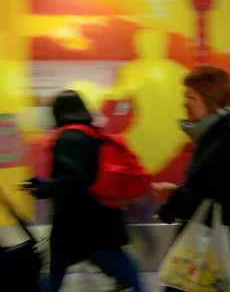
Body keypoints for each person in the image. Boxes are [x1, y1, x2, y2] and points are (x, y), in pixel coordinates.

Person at [153, 66, 230, 292]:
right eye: (185, 96)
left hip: (223, 246)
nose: (185, 103)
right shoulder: (212, 135)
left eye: (191, 97)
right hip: (207, 240)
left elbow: (229, 196)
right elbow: (209, 187)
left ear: (211, 99)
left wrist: (175, 196)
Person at [24, 90, 143, 292]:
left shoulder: (68, 137)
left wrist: (43, 189)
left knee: (62, 269)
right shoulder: (92, 133)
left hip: (80, 221)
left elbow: (73, 179)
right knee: (111, 260)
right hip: (99, 216)